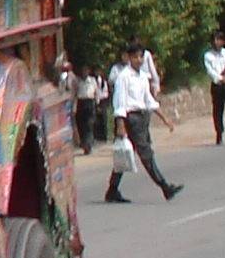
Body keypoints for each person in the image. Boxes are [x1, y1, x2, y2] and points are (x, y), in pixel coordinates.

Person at [105, 41, 182, 203]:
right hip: (131, 119)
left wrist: (164, 118)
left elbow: (149, 100)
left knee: (125, 155)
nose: (139, 60)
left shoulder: (142, 77)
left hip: (142, 118)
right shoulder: (124, 77)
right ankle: (165, 186)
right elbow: (119, 103)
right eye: (135, 57)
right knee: (146, 155)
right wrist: (121, 125)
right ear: (128, 57)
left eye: (141, 57)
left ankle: (112, 190)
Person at [75, 61, 109, 151]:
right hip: (81, 102)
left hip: (90, 102)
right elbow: (74, 93)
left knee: (89, 123)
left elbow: (97, 92)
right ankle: (83, 141)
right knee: (81, 124)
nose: (84, 72)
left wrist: (97, 104)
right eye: (83, 70)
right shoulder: (77, 81)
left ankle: (88, 143)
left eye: (86, 70)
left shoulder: (92, 80)